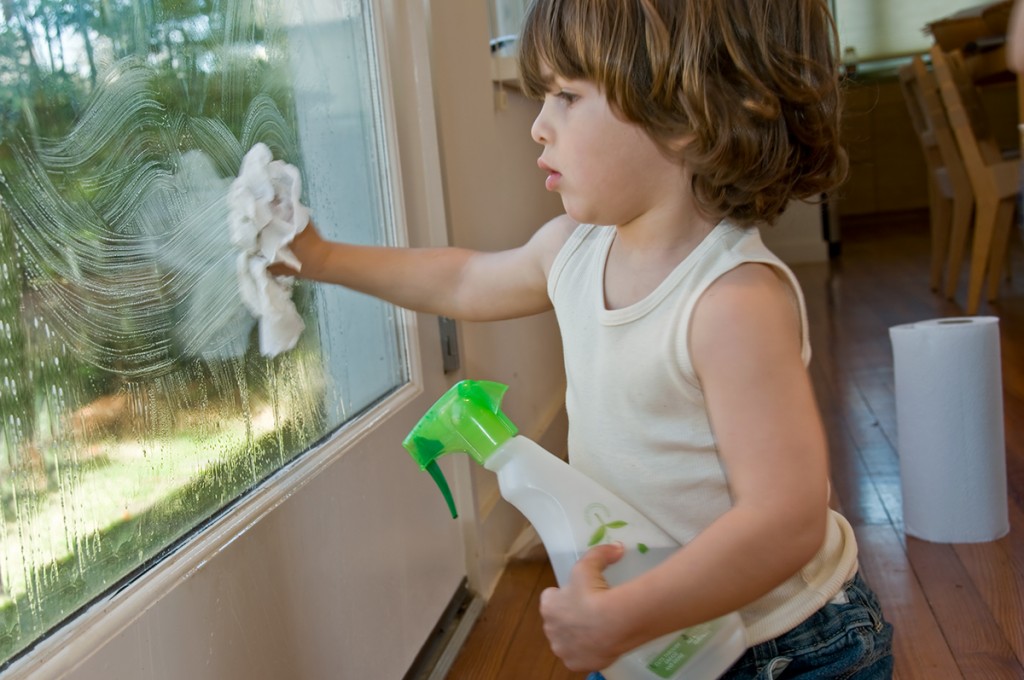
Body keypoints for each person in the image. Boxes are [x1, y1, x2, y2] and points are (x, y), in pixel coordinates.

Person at [275, 0, 894, 677]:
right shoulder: (573, 250)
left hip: (781, 645)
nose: (538, 127)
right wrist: (323, 258)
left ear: (686, 115)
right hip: (658, 628)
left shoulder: (731, 301)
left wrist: (632, 615)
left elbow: (787, 520)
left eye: (567, 96)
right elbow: (461, 280)